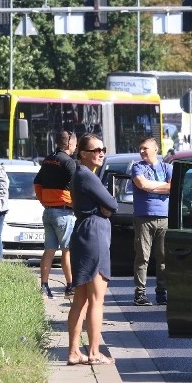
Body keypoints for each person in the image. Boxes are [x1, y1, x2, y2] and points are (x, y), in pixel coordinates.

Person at [67, 134, 119, 366]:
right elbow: (113, 204)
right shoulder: (87, 175)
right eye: (96, 150)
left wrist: (104, 207)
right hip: (93, 234)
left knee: (81, 299)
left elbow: (107, 206)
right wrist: (104, 208)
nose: (101, 153)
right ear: (83, 154)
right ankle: (94, 353)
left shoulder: (81, 175)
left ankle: (74, 352)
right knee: (96, 299)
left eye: (103, 149)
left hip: (83, 233)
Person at [34, 131, 77, 299]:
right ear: (68, 145)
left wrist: (43, 200)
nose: (75, 148)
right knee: (67, 251)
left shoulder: (47, 160)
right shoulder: (69, 162)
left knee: (49, 250)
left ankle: (44, 286)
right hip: (64, 212)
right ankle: (70, 286)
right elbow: (78, 185)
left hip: (48, 211)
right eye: (74, 144)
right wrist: (74, 203)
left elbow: (37, 183)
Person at [131, 138, 173, 306]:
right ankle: (140, 294)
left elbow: (173, 186)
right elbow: (141, 184)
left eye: (145, 148)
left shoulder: (168, 167)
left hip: (164, 217)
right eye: (140, 148)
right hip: (143, 217)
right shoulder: (137, 167)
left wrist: (151, 186)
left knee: (163, 258)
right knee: (142, 257)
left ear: (156, 149)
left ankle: (161, 293)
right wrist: (161, 186)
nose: (142, 151)